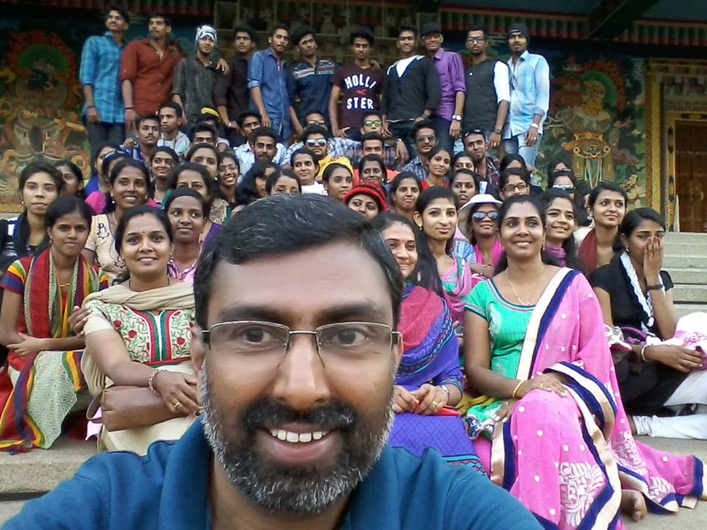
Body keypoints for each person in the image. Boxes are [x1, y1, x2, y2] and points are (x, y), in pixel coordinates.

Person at [5, 194, 542, 529]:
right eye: (255, 334)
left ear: (394, 356)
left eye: (349, 335)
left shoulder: (453, 512)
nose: (302, 389)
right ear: (200, 355)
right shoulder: (108, 509)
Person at [463, 195, 706, 526]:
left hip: (567, 394)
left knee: (539, 414)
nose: (522, 230)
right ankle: (610, 489)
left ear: (544, 232)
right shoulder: (482, 293)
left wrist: (544, 388)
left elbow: (594, 356)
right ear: (501, 234)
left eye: (531, 223)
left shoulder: (572, 284)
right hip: (501, 399)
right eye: (512, 223)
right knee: (484, 459)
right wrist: (522, 389)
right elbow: (476, 369)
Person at [81, 206, 196, 455]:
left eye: (156, 238)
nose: (146, 247)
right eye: (134, 240)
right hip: (134, 410)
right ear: (121, 251)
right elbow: (117, 366)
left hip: (194, 402)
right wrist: (159, 379)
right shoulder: (102, 306)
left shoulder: (199, 299)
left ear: (171, 247)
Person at [372, 213, 481, 469]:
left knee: (451, 433)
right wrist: (382, 396)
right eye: (392, 245)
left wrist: (440, 394)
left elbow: (453, 378)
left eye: (410, 246)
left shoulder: (433, 306)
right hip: (368, 414)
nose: (403, 254)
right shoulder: (347, 306)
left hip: (426, 413)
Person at [0, 197, 107, 451]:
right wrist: (39, 349)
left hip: (76, 357)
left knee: (88, 367)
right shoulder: (21, 270)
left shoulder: (98, 278)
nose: (72, 235)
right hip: (25, 356)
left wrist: (44, 344)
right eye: (64, 228)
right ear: (49, 231)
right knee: (61, 371)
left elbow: (97, 339)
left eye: (80, 229)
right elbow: (5, 335)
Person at [592, 208, 707, 439]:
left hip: (668, 366)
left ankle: (640, 424)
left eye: (658, 236)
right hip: (631, 374)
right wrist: (648, 352)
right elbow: (606, 341)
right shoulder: (605, 277)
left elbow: (670, 333)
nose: (652, 243)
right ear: (625, 240)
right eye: (643, 236)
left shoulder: (662, 278)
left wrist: (653, 279)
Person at [414, 187, 475, 325]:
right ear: (419, 218)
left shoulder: (462, 267)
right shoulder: (412, 263)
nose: (444, 221)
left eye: (450, 213)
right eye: (434, 213)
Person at [83, 158, 151, 282]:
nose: (131, 188)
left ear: (146, 192)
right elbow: (85, 274)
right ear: (111, 189)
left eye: (139, 183)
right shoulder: (94, 225)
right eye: (123, 183)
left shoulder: (156, 227)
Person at [382, 26, 441, 157]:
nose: (406, 42)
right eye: (403, 39)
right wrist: (384, 119)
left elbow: (434, 90)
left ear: (416, 42)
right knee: (395, 161)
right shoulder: (391, 68)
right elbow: (386, 96)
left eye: (409, 39)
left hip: (414, 122)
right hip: (393, 126)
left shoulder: (424, 63)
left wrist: (424, 116)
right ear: (398, 43)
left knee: (419, 161)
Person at [120, 13, 184, 130]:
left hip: (163, 116)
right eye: (151, 23)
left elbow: (190, 65)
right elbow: (127, 79)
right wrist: (129, 108)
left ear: (168, 29)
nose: (154, 26)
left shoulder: (174, 53)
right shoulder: (136, 47)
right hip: (139, 112)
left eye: (159, 23)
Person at [80, 5, 129, 151]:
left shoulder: (129, 49)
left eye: (118, 18)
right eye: (110, 17)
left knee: (118, 154)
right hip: (98, 107)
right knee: (98, 153)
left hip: (119, 113)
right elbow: (86, 76)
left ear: (126, 25)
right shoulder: (94, 42)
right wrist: (91, 106)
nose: (113, 20)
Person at [0, 162, 64, 272]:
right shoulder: (5, 229)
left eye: (48, 188)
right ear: (21, 193)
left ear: (59, 195)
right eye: (32, 187)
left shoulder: (64, 234)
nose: (39, 194)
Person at [503, 23, 550, 170]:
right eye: (512, 37)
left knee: (524, 169)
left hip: (528, 125)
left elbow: (543, 94)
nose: (516, 40)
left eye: (520, 36)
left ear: (526, 40)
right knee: (511, 170)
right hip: (509, 128)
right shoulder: (506, 65)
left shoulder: (537, 61)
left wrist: (535, 125)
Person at [329, 28, 384, 140]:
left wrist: (383, 124)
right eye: (357, 45)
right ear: (351, 48)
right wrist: (335, 128)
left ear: (371, 48)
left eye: (364, 46)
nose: (361, 49)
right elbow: (333, 100)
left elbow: (383, 102)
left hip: (372, 126)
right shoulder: (343, 70)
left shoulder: (378, 73)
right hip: (349, 127)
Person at [462, 24, 510, 152]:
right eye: (471, 40)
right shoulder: (465, 71)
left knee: (489, 164)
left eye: (479, 39)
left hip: (489, 129)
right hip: (467, 130)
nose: (475, 43)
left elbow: (504, 100)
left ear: (486, 43)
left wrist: (498, 130)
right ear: (466, 44)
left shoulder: (498, 66)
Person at [421, 23, 466, 153]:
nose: (432, 40)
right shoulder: (422, 62)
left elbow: (460, 88)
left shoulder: (451, 57)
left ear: (441, 39)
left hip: (446, 114)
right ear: (423, 41)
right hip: (425, 116)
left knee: (443, 153)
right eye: (429, 37)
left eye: (436, 37)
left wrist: (457, 118)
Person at [172, 25, 224, 127]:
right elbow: (176, 94)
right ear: (197, 41)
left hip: (211, 119)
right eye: (203, 39)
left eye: (211, 40)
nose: (207, 43)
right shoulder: (185, 63)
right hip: (190, 118)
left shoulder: (216, 67)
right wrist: (182, 117)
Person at [288, 27, 336, 134]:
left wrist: (371, 65)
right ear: (297, 48)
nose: (309, 45)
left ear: (316, 44)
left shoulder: (330, 66)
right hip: (306, 123)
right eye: (304, 43)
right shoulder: (295, 72)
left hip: (328, 123)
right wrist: (298, 128)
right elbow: (289, 103)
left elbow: (348, 75)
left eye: (311, 41)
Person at [214, 25, 256, 147]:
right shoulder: (229, 64)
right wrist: (227, 122)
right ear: (234, 43)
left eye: (245, 39)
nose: (241, 41)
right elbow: (219, 93)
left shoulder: (258, 64)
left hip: (255, 122)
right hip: (237, 124)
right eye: (238, 38)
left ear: (253, 44)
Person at [248, 24, 291, 141]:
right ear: (270, 39)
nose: (282, 41)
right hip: (266, 119)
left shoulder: (285, 64)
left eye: (285, 38)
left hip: (284, 122)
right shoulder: (259, 57)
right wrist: (263, 114)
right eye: (279, 37)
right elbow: (254, 85)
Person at [577, 182, 627, 275]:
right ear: (590, 210)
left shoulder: (630, 247)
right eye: (604, 203)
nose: (612, 209)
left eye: (619, 204)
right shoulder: (577, 245)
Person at [169, 162, 222, 247]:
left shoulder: (221, 235)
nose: (189, 191)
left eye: (197, 186)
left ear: (209, 194)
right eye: (183, 186)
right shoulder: (162, 231)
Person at [165, 189, 207, 284]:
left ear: (204, 224)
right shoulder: (155, 261)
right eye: (177, 213)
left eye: (195, 215)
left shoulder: (214, 263)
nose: (185, 220)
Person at [457, 194, 504, 279]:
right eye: (479, 216)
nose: (487, 219)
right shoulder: (465, 253)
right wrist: (470, 265)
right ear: (470, 224)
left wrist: (479, 268)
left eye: (493, 215)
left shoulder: (507, 249)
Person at [540, 189, 583, 270]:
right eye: (554, 214)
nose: (563, 220)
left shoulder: (576, 264)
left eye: (569, 216)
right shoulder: (529, 260)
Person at [84, 150, 131, 215]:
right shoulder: (95, 200)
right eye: (115, 171)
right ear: (105, 176)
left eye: (125, 170)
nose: (121, 175)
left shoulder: (142, 198)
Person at [462, 128, 500, 193]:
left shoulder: (496, 164)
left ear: (486, 145)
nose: (476, 147)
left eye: (479, 143)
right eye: (470, 145)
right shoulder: (464, 169)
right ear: (465, 149)